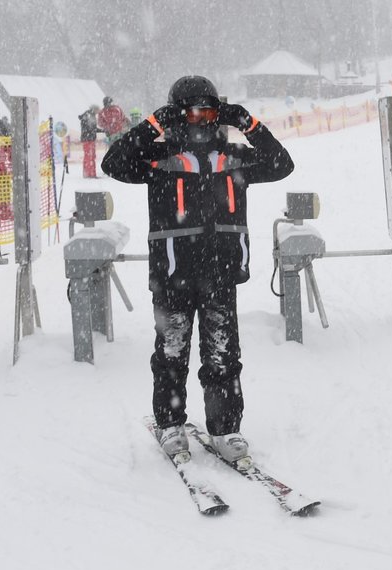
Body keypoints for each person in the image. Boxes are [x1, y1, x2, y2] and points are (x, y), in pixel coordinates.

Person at [101, 75, 294, 467]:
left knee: (223, 355)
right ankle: (171, 423)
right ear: (177, 115)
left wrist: (247, 123)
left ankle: (225, 427)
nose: (201, 120)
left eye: (209, 111)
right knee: (172, 352)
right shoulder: (158, 158)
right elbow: (113, 162)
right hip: (174, 274)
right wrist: (155, 124)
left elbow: (282, 164)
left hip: (221, 272)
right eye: (191, 112)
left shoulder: (234, 156)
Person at [78, 105, 103, 178]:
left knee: (89, 156)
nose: (98, 112)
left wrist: (102, 130)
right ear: (94, 109)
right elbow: (92, 128)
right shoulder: (89, 116)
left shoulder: (88, 115)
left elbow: (92, 128)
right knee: (90, 156)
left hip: (88, 139)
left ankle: (87, 173)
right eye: (97, 110)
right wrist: (102, 130)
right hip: (89, 139)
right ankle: (90, 174)